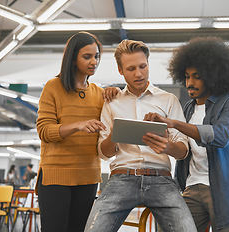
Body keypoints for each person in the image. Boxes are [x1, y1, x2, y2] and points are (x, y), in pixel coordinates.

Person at [144, 37, 229, 232]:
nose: (190, 83)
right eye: (187, 76)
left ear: (213, 76)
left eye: (197, 76)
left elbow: (220, 136)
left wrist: (174, 123)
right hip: (191, 187)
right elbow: (185, 147)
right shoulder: (188, 108)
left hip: (226, 191)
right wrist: (165, 139)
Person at [84, 39, 197, 232]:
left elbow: (183, 151)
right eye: (131, 69)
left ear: (148, 64)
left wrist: (167, 146)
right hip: (121, 179)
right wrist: (114, 134)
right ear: (120, 70)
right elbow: (104, 153)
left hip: (161, 180)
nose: (138, 73)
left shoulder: (168, 100)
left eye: (143, 66)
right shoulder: (112, 101)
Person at [36, 31, 118, 232]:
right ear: (73, 59)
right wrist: (77, 126)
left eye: (97, 56)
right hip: (56, 177)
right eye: (87, 56)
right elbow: (44, 131)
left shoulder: (99, 94)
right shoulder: (53, 87)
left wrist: (116, 93)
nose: (94, 62)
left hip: (88, 177)